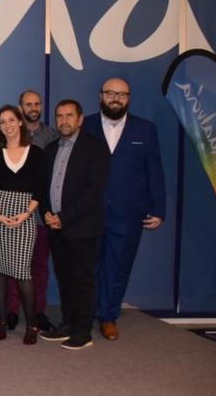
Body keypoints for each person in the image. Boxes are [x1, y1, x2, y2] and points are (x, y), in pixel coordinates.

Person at [83, 78, 165, 341]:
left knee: (118, 267)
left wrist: (159, 208)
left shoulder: (145, 130)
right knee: (89, 267)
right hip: (90, 212)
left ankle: (108, 317)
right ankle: (86, 314)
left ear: (128, 98)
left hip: (128, 213)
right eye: (110, 93)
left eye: (121, 94)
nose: (115, 98)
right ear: (100, 96)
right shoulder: (86, 125)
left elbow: (155, 170)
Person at [40, 100, 109, 350]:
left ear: (80, 119)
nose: (64, 121)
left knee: (83, 279)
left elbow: (93, 191)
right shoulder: (50, 149)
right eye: (59, 116)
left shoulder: (95, 148)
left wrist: (64, 217)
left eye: (69, 116)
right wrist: (47, 212)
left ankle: (83, 331)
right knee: (64, 278)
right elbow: (43, 186)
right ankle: (68, 324)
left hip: (82, 227)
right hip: (55, 227)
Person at [0, 105, 47, 345]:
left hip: (25, 216)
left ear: (20, 122)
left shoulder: (37, 153)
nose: (8, 125)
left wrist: (26, 213)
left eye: (11, 120)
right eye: (2, 122)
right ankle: (1, 321)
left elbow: (40, 188)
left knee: (22, 272)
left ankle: (31, 323)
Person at [5, 90, 58, 332]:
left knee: (39, 266)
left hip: (42, 214)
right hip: (16, 213)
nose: (33, 108)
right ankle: (13, 311)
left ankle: (38, 312)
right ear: (20, 107)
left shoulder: (53, 136)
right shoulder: (12, 135)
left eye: (37, 104)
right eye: (28, 104)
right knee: (14, 265)